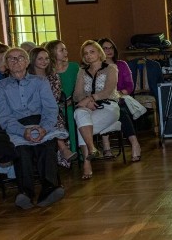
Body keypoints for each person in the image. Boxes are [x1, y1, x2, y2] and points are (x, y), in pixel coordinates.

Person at [0, 48, 67, 209]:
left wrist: (44, 128)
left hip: (40, 122)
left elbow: (51, 109)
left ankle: (49, 189)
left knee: (47, 146)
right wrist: (22, 131)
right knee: (21, 150)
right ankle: (26, 193)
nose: (16, 61)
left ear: (27, 62)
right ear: (6, 64)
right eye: (11, 58)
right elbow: (3, 116)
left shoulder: (40, 81)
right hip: (15, 125)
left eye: (20, 58)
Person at [73, 40, 121, 180]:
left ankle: (87, 164)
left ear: (99, 53)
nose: (88, 55)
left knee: (81, 126)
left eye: (92, 52)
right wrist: (87, 103)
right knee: (79, 113)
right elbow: (77, 94)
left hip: (108, 106)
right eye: (85, 53)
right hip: (88, 108)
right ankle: (92, 149)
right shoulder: (82, 71)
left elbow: (108, 91)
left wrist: (90, 98)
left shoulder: (111, 68)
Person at [28, 47, 76, 167]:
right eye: (40, 59)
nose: (44, 61)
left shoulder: (53, 76)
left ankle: (63, 149)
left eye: (46, 58)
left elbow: (54, 97)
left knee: (53, 116)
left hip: (50, 108)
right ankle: (63, 150)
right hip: (31, 111)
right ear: (33, 60)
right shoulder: (27, 78)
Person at [99, 37, 143, 162]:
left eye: (111, 47)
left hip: (120, 97)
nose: (109, 50)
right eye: (105, 48)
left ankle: (134, 143)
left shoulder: (121, 65)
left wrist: (118, 93)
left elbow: (130, 86)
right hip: (103, 99)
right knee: (105, 107)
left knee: (120, 108)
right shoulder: (97, 67)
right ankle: (106, 145)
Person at [45, 40, 80, 149]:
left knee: (69, 112)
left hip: (72, 102)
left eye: (65, 49)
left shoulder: (74, 67)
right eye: (62, 50)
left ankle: (75, 149)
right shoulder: (47, 70)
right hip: (53, 104)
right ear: (52, 53)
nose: (66, 52)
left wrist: (72, 100)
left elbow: (80, 88)